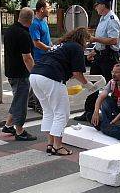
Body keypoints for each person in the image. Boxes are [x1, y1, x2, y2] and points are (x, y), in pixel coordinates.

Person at [30, 27, 96, 155]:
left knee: (49, 111)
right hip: (51, 77)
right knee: (62, 113)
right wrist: (88, 85)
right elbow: (77, 73)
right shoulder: (77, 47)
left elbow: (66, 66)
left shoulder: (60, 45)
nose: (87, 44)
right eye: (87, 41)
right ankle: (57, 146)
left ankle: (50, 144)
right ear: (82, 39)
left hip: (35, 75)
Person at [74, 0, 120, 122]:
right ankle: (88, 111)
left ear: (103, 6)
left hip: (109, 56)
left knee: (111, 84)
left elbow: (113, 40)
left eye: (97, 5)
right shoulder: (103, 18)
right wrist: (94, 51)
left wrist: (94, 39)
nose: (96, 7)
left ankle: (115, 111)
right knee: (93, 83)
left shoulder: (111, 19)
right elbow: (102, 41)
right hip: (100, 55)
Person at [1, 7, 38, 141]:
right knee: (21, 102)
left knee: (18, 99)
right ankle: (20, 131)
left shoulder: (10, 30)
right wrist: (35, 73)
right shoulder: (24, 34)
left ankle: (8, 125)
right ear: (31, 20)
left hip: (11, 71)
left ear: (19, 17)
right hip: (21, 74)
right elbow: (27, 58)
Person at [28, 0, 52, 112]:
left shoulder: (44, 22)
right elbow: (36, 43)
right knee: (40, 82)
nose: (50, 10)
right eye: (48, 8)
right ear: (42, 9)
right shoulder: (35, 24)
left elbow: (47, 38)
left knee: (37, 81)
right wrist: (49, 49)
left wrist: (51, 46)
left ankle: (30, 101)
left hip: (45, 56)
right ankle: (38, 105)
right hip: (39, 57)